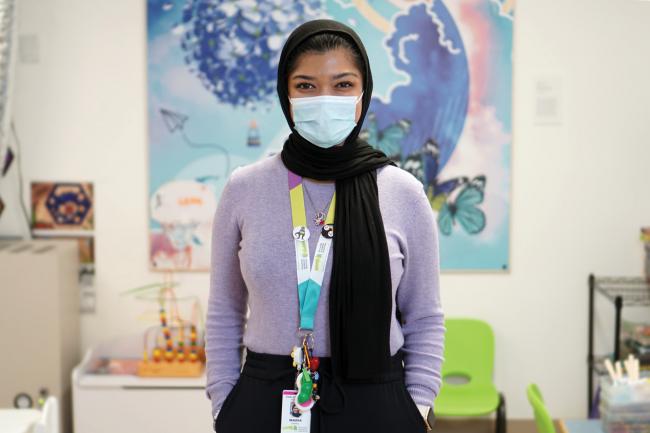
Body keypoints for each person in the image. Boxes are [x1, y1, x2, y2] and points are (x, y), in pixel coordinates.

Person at [205, 19, 445, 433]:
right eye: (306, 86)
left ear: (362, 93)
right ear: (287, 93)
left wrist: (418, 405)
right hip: (266, 396)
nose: (325, 99)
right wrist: (224, 403)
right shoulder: (244, 189)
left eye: (342, 84)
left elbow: (424, 315)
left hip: (376, 398)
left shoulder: (402, 192)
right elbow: (224, 311)